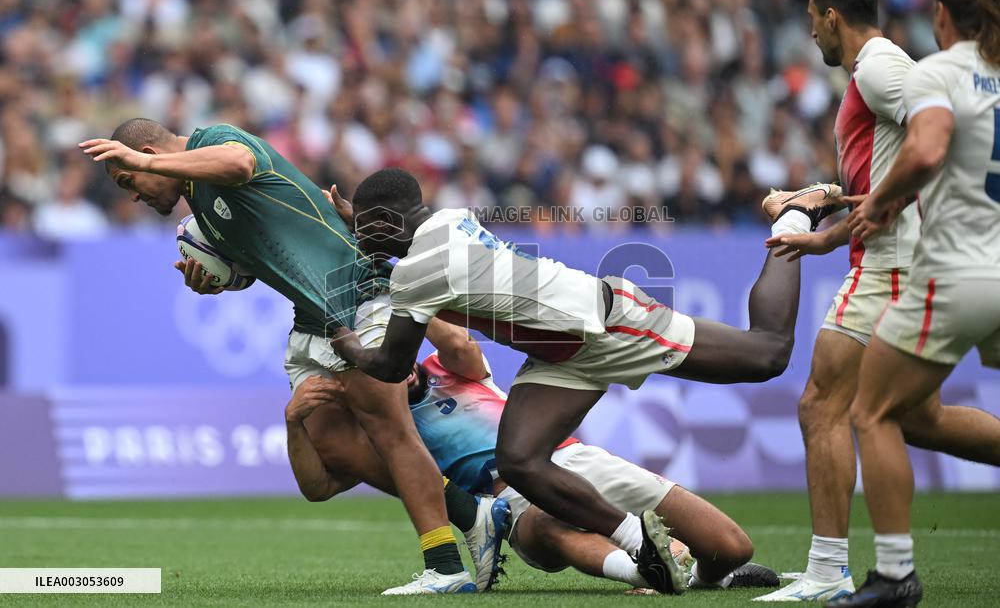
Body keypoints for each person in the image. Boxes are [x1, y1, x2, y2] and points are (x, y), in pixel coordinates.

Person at [329, 167, 843, 594]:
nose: (360, 236)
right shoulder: (447, 220)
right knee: (520, 460)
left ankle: (793, 213)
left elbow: (392, 366)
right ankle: (643, 546)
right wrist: (366, 227)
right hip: (561, 355)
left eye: (366, 227)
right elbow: (407, 255)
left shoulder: (415, 271)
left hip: (606, 325)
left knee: (767, 353)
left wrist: (347, 343)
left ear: (386, 220)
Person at [78, 120, 508, 595]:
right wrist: (215, 282)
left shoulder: (214, 141)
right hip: (312, 320)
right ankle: (473, 513)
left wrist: (144, 163)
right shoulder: (200, 204)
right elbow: (265, 253)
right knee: (331, 441)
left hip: (352, 295)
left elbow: (240, 163)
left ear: (148, 150)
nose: (134, 193)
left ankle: (445, 566)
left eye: (128, 181)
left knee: (390, 432)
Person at [289, 316, 780, 593]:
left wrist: (406, 298)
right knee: (546, 525)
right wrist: (294, 423)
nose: (396, 365)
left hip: (572, 459)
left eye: (395, 350)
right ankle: (643, 568)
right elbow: (318, 487)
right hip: (512, 496)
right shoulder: (385, 432)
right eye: (377, 361)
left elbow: (456, 337)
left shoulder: (449, 366)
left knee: (733, 548)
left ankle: (698, 578)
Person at [829, 0, 1000, 607]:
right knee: (914, 412)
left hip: (957, 271)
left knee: (871, 411)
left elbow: (925, 152)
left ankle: (896, 575)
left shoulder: (935, 73)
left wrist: (881, 200)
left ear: (943, 18)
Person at [754, 0, 921, 602]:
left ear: (831, 17)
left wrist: (828, 228)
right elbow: (902, 168)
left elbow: (940, 138)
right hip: (895, 259)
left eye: (811, 18)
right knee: (918, 419)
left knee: (820, 402)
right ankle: (828, 568)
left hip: (887, 265)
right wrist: (826, 203)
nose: (809, 32)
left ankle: (827, 571)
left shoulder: (879, 65)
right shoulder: (870, 75)